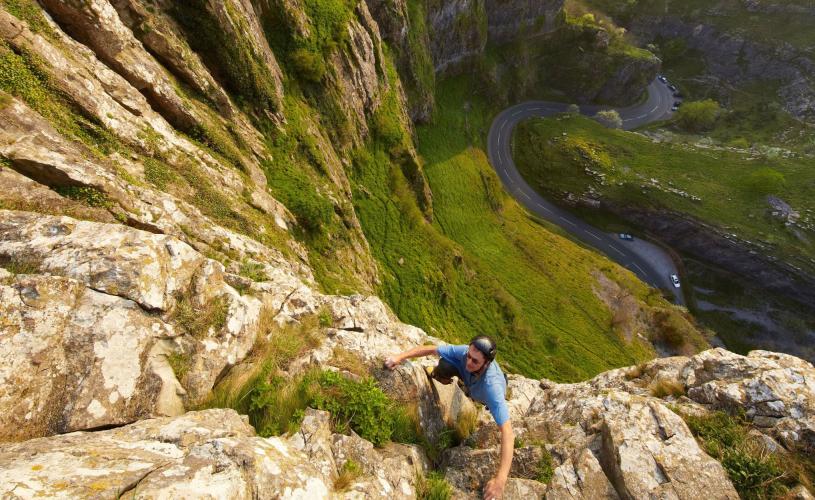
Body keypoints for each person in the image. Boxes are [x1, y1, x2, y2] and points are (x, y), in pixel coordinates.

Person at [384, 336, 513, 500]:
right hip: (470, 381)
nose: (469, 362)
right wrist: (399, 357)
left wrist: (500, 481)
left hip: (482, 394)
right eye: (468, 356)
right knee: (444, 365)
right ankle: (458, 383)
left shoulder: (492, 389)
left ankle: (469, 392)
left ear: (486, 364)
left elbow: (508, 433)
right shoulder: (465, 353)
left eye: (475, 361)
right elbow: (431, 349)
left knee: (478, 393)